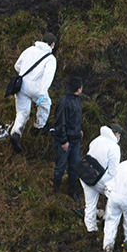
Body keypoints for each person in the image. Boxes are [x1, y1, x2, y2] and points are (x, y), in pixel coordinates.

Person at [8, 32, 57, 153]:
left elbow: (17, 66)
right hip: (36, 88)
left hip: (22, 86)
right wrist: (42, 93)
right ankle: (38, 127)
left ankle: (15, 133)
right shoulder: (50, 59)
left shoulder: (29, 50)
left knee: (22, 112)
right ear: (52, 44)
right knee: (45, 104)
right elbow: (47, 77)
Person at [81, 124, 123, 234]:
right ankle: (107, 220)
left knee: (90, 203)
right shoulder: (114, 148)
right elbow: (113, 172)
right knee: (114, 195)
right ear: (117, 134)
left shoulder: (97, 139)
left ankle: (91, 228)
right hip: (97, 178)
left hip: (85, 174)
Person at [52, 74, 84, 202]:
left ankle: (72, 191)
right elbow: (60, 123)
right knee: (60, 167)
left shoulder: (76, 99)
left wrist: (78, 132)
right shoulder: (64, 102)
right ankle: (56, 192)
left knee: (74, 167)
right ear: (78, 89)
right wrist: (64, 141)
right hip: (65, 142)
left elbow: (74, 119)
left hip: (75, 140)